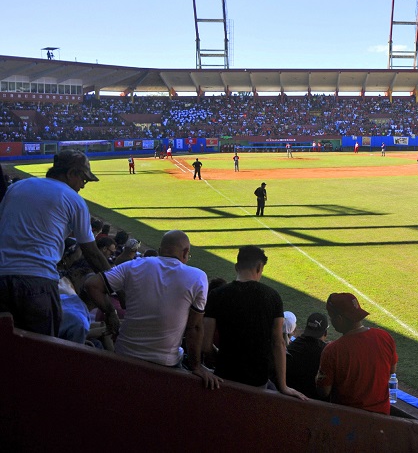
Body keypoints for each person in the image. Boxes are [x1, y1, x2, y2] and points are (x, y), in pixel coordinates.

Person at [84, 230, 220, 389]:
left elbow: (91, 285)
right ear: (185, 252)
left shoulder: (133, 265)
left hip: (124, 356)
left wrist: (110, 312)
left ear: (160, 250)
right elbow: (195, 327)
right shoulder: (198, 277)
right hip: (165, 364)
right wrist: (196, 366)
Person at [0, 149, 111, 336]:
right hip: (37, 282)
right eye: (83, 179)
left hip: (2, 277)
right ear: (70, 174)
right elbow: (91, 252)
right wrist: (116, 282)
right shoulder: (74, 199)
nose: (83, 186)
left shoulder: (16, 188)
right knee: (40, 349)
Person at [201, 245, 305, 398]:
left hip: (224, 376)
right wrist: (283, 386)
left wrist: (220, 360)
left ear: (237, 266)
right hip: (257, 381)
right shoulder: (272, 296)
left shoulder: (217, 294)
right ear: (259, 267)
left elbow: (206, 345)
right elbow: (278, 343)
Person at [316, 293, 398, 415]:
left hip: (349, 421)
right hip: (383, 418)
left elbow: (323, 391)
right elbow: (392, 371)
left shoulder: (332, 350)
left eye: (331, 317)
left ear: (339, 319)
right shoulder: (385, 337)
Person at [287, 312, 329, 400]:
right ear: (325, 333)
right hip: (313, 403)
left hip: (286, 397)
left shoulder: (292, 346)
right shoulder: (327, 353)